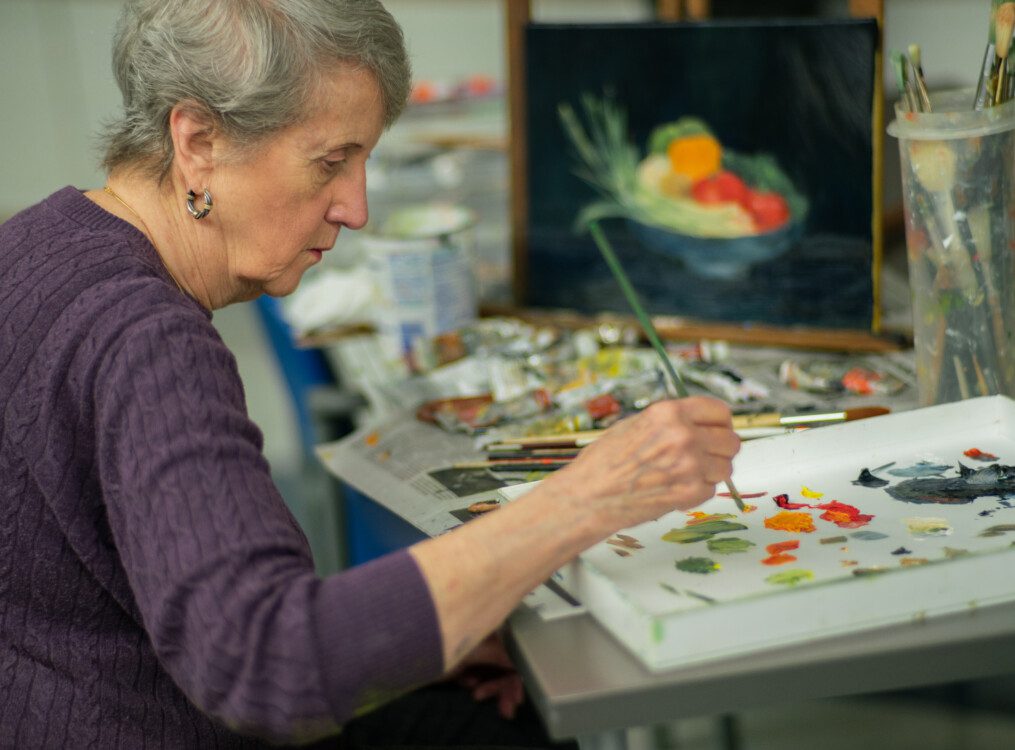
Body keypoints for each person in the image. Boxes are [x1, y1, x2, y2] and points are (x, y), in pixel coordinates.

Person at [0, 1, 740, 747]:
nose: (355, 208)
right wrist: (585, 497)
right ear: (197, 142)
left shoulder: (30, 245)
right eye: (329, 163)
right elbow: (267, 663)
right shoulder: (148, 338)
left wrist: (401, 647)